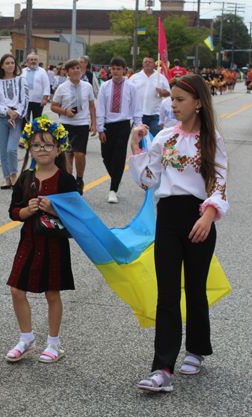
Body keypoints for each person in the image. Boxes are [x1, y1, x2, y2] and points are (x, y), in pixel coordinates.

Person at [128, 74, 229, 393]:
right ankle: (162, 368)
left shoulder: (211, 140)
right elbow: (147, 180)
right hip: (168, 220)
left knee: (195, 290)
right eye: (171, 98)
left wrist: (209, 215)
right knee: (168, 293)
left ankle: (197, 349)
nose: (173, 104)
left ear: (198, 103)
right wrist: (135, 146)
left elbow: (220, 183)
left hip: (200, 219)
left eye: (180, 99)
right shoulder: (164, 138)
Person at [5, 116, 77, 363]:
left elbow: (78, 217)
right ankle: (27, 339)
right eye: (36, 145)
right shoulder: (25, 178)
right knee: (16, 289)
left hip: (55, 245)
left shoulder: (66, 180)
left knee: (52, 294)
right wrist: (29, 210)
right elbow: (14, 212)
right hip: (29, 242)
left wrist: (54, 210)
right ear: (29, 148)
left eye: (48, 145)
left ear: (59, 149)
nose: (42, 150)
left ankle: (54, 344)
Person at [96, 56, 142, 203]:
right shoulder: (105, 86)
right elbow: (100, 108)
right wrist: (100, 128)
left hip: (123, 124)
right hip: (108, 125)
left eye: (118, 69)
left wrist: (138, 126)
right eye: (113, 68)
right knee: (106, 156)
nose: (115, 71)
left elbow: (136, 108)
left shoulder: (131, 87)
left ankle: (113, 189)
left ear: (124, 69)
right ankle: (116, 178)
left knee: (119, 156)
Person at [51, 59, 96, 195]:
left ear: (81, 70)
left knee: (80, 153)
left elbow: (92, 106)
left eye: (78, 68)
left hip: (82, 124)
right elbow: (53, 107)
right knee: (68, 155)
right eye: (73, 69)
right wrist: (65, 112)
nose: (76, 70)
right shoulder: (62, 88)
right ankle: (69, 183)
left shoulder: (87, 86)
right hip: (66, 124)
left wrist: (94, 123)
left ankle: (79, 180)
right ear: (67, 71)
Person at [0, 53, 29, 189]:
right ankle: (7, 178)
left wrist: (16, 113)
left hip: (16, 120)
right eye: (7, 63)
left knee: (12, 149)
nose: (10, 65)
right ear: (2, 65)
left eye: (12, 63)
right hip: (2, 119)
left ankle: (14, 175)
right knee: (2, 150)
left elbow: (25, 100)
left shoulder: (21, 80)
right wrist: (7, 111)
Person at [129, 56, 170, 138]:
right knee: (140, 138)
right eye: (145, 62)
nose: (147, 63)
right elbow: (127, 92)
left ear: (154, 64)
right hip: (139, 113)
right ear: (142, 64)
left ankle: (152, 151)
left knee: (153, 137)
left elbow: (168, 92)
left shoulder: (160, 77)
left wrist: (161, 92)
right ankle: (141, 151)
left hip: (155, 113)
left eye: (150, 62)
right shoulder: (135, 77)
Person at [22, 53, 50, 124]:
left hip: (38, 101)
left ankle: (36, 135)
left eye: (35, 59)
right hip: (25, 101)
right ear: (27, 61)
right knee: (25, 120)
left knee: (37, 121)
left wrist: (45, 98)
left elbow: (46, 85)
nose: (33, 61)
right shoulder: (22, 72)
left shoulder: (42, 71)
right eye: (31, 59)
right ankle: (25, 134)